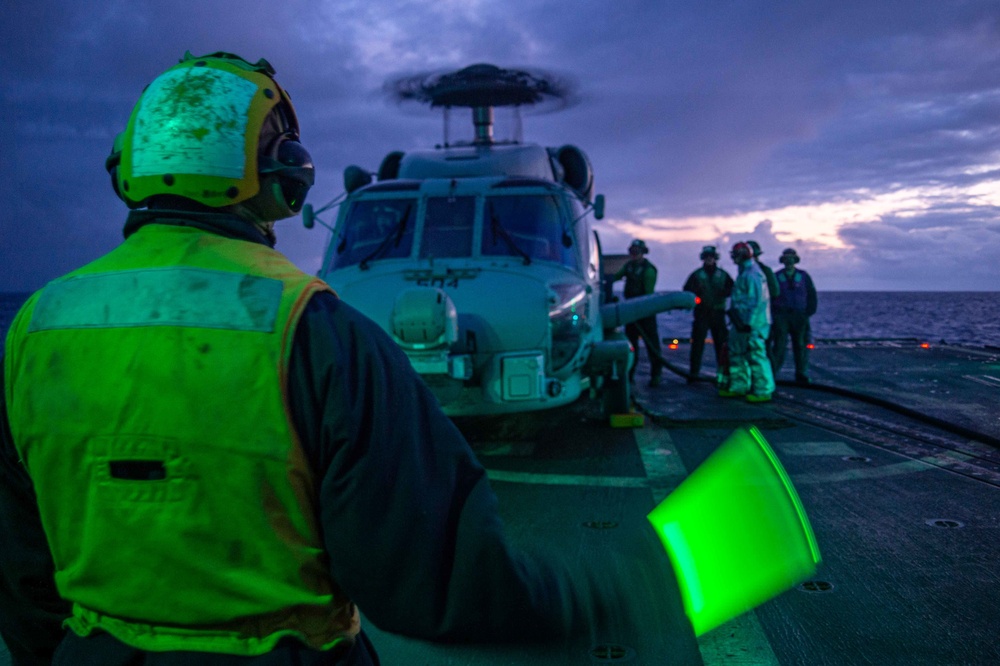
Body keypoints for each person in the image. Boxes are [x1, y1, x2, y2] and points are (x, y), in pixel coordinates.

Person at [0, 52, 701, 665]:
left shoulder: (36, 326)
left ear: (126, 169)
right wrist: (617, 591)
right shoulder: (314, 329)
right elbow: (430, 581)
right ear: (286, 179)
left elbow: (22, 569)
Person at [721, 242, 775, 402]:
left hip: (752, 323)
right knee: (736, 353)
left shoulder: (752, 274)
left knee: (756, 354)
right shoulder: (745, 272)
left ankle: (763, 390)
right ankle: (739, 386)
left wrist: (748, 323)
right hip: (741, 322)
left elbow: (756, 301)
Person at [612, 239, 664, 386]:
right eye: (632, 252)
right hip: (631, 311)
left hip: (645, 312)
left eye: (637, 252)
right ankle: (629, 375)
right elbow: (615, 276)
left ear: (642, 253)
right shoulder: (628, 267)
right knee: (631, 345)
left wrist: (642, 310)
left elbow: (648, 294)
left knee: (652, 345)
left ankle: (656, 374)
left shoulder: (649, 270)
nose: (634, 255)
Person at [682, 245, 733, 386]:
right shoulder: (696, 275)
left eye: (711, 257)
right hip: (701, 313)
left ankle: (723, 374)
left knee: (721, 346)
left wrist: (723, 293)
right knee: (697, 345)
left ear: (715, 258)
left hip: (718, 313)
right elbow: (686, 291)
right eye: (706, 257)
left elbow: (732, 289)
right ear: (703, 258)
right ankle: (693, 373)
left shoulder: (723, 275)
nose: (709, 259)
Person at [771, 248, 818, 385]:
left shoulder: (803, 276)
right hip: (782, 315)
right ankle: (773, 373)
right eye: (786, 257)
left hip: (799, 315)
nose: (789, 260)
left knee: (800, 345)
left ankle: (801, 373)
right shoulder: (777, 276)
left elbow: (811, 294)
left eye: (791, 257)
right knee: (779, 345)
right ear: (783, 260)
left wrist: (808, 312)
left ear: (795, 260)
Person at [746, 240, 779, 365]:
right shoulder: (746, 271)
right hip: (750, 317)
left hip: (760, 317)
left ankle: (769, 377)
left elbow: (775, 291)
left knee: (763, 348)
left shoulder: (762, 271)